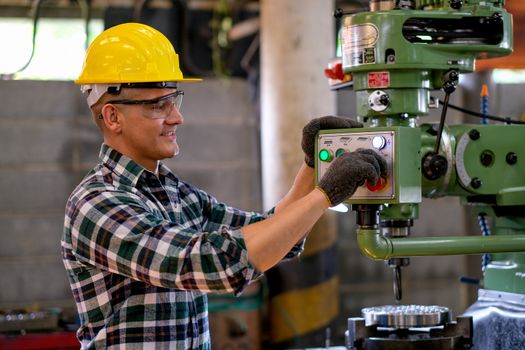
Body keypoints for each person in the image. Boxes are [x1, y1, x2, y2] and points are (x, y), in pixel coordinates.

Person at [61, 22, 387, 349]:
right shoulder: (96, 204)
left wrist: (312, 167)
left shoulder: (177, 193)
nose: (177, 117)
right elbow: (215, 263)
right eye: (158, 105)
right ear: (113, 116)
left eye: (174, 100)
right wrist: (324, 195)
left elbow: (273, 235)